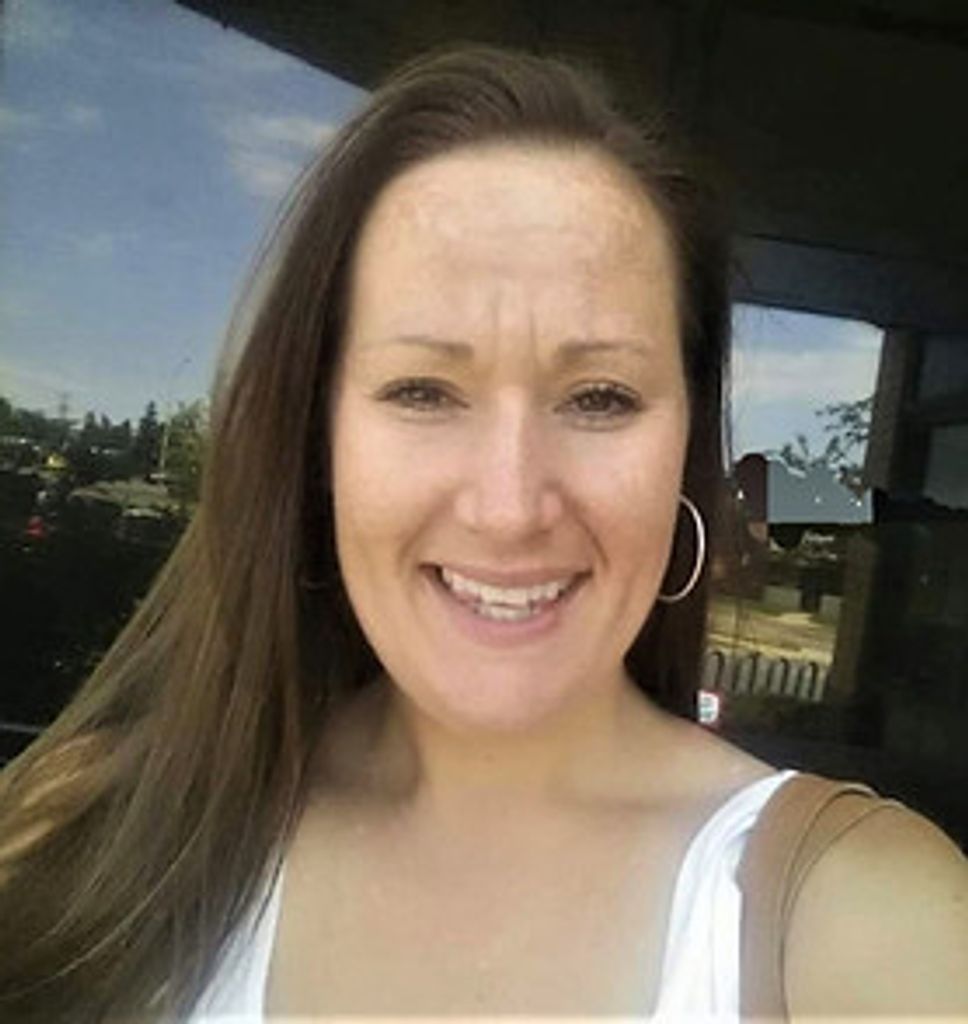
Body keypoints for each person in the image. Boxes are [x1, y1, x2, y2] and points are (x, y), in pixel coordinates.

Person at [1, 44, 965, 1024]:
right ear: (318, 440)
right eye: (423, 390)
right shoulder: (86, 836)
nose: (508, 508)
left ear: (685, 447)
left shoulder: (858, 921)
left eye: (599, 396)